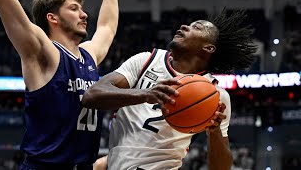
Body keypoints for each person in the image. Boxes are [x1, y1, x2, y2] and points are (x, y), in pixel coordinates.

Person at [83, 9, 257, 170]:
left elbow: (221, 168)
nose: (183, 27)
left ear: (208, 48)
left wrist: (215, 132)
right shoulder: (146, 60)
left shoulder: (216, 95)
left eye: (195, 27)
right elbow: (91, 96)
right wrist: (144, 94)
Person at [0, 0, 118, 169]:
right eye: (74, 9)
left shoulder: (89, 54)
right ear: (52, 18)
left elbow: (107, 27)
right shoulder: (43, 52)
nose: (84, 14)